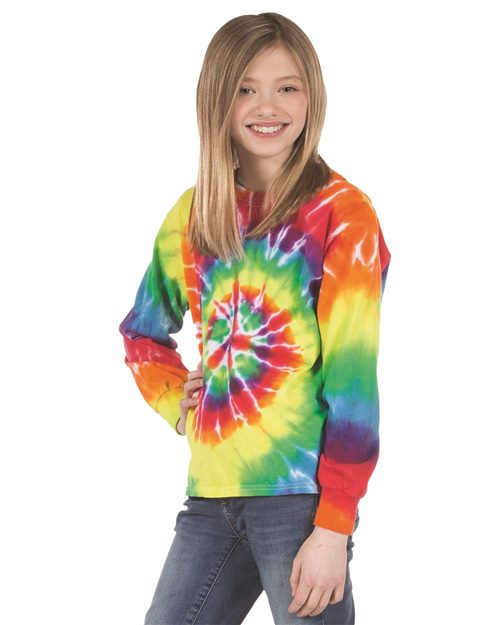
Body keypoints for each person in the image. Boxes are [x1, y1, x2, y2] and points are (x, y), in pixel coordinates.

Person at [118, 12, 391, 625]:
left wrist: (334, 526)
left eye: (287, 87)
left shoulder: (342, 213)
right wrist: (176, 399)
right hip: (210, 498)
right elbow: (142, 332)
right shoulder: (194, 214)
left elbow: (352, 383)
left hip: (301, 502)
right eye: (245, 88)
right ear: (217, 98)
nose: (267, 106)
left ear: (311, 97)